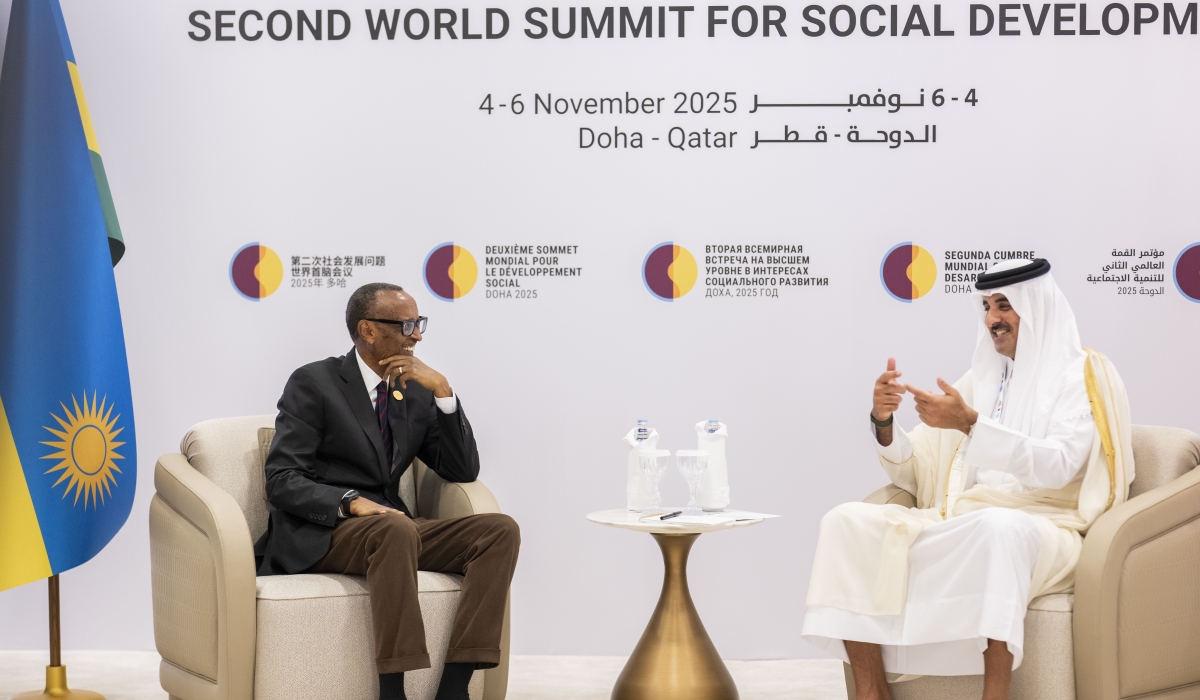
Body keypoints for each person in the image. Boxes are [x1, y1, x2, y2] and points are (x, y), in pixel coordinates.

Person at [801, 259, 1133, 700]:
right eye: (986, 307)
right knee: (845, 521)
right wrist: (884, 419)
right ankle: (871, 691)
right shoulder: (983, 379)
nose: (992, 319)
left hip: (1050, 526)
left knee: (998, 528)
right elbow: (918, 464)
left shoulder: (1083, 374)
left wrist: (973, 425)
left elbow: (1060, 466)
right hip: (965, 518)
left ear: (1036, 308)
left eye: (1003, 306)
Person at [254, 282, 520, 700]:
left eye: (419, 324)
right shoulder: (315, 382)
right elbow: (283, 478)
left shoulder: (412, 390)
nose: (417, 335)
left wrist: (444, 393)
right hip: (325, 530)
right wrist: (352, 504)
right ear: (369, 330)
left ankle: (455, 686)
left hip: (392, 528)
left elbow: (461, 468)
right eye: (407, 325)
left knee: (499, 530)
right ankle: (393, 691)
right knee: (395, 529)